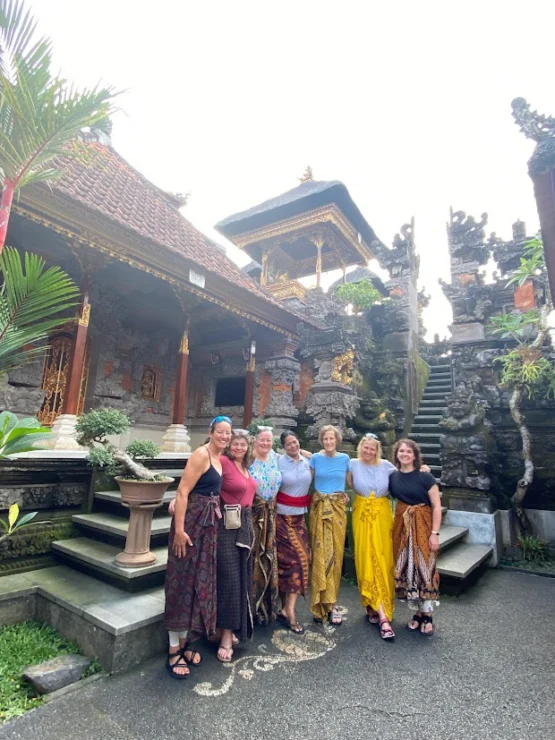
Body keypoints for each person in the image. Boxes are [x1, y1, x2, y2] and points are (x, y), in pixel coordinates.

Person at [163, 415, 231, 679]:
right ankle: (172, 649)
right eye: (221, 432)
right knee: (180, 583)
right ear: (211, 432)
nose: (225, 436)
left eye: (228, 433)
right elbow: (182, 492)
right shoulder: (201, 455)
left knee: (198, 584)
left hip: (208, 529)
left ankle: (186, 642)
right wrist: (179, 531)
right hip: (190, 526)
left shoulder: (220, 459)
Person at [389, 438, 442, 637]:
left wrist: (434, 534)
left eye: (409, 452)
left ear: (415, 456)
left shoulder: (425, 476)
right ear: (396, 454)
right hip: (403, 527)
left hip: (423, 524)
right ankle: (419, 613)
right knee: (408, 567)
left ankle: (428, 614)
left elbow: (436, 506)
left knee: (425, 567)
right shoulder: (392, 476)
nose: (404, 454)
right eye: (401, 451)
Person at [348, 433, 397, 640]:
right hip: (361, 515)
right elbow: (323, 459)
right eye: (365, 448)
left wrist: (423, 468)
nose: (368, 452)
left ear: (378, 450)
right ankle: (375, 608)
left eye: (372, 449)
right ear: (360, 447)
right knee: (365, 558)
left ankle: (382, 610)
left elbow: (407, 473)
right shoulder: (351, 464)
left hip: (382, 514)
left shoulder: (386, 466)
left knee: (383, 559)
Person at [215, 429, 257, 662]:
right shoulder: (222, 462)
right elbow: (206, 481)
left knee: (242, 578)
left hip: (244, 526)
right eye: (235, 444)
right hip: (226, 528)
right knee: (230, 579)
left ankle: (229, 628)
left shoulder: (245, 468)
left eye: (242, 444)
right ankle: (226, 637)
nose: (239, 447)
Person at [309, 425, 350, 625]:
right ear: (321, 440)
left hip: (337, 510)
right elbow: (302, 475)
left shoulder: (345, 459)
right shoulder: (315, 459)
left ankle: (332, 605)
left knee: (336, 555)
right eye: (325, 439)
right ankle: (318, 604)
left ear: (337, 440)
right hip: (318, 509)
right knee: (319, 555)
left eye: (331, 438)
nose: (328, 442)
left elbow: (353, 482)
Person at [275, 431, 312, 634]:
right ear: (283, 446)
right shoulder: (278, 461)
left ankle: (285, 607)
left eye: (295, 441)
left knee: (301, 559)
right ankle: (289, 609)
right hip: (282, 519)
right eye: (288, 443)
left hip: (300, 519)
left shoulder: (308, 459)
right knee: (292, 562)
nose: (292, 446)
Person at [249, 426, 282, 625]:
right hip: (252, 515)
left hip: (270, 514)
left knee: (268, 556)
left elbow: (299, 456)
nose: (265, 444)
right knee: (253, 557)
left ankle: (267, 606)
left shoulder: (276, 457)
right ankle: (251, 607)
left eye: (269, 441)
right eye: (262, 440)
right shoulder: (247, 458)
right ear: (255, 440)